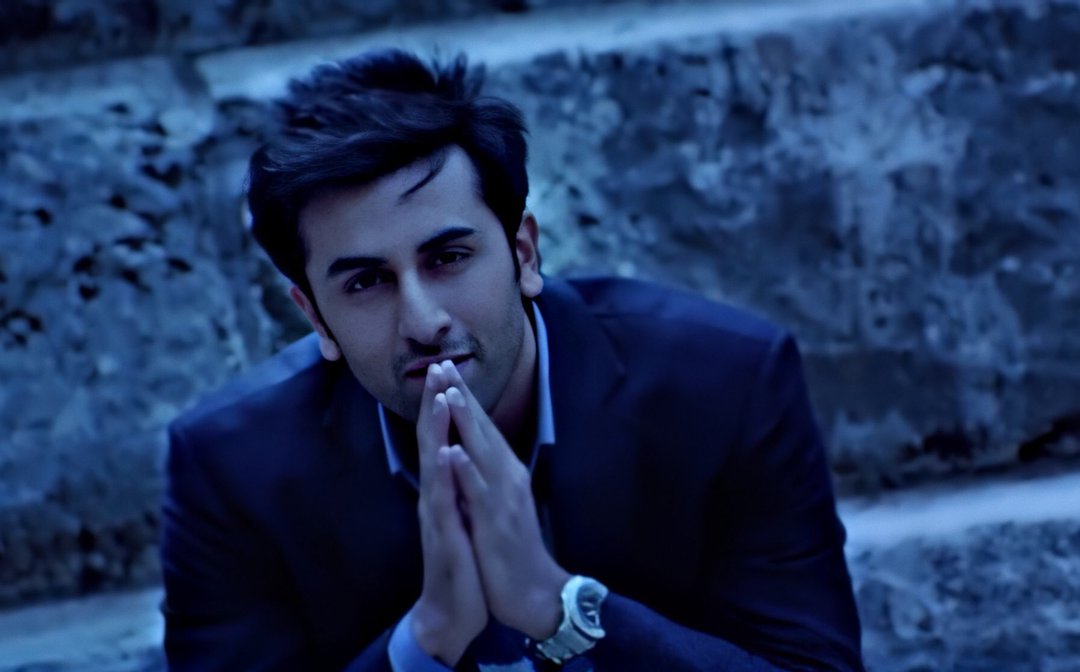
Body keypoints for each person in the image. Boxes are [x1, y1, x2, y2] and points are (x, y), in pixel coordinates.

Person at [160, 49, 864, 671]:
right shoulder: (233, 468)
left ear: (524, 253)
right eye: (366, 282)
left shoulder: (725, 384)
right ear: (316, 316)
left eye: (449, 257)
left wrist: (558, 606)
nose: (424, 322)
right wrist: (426, 640)